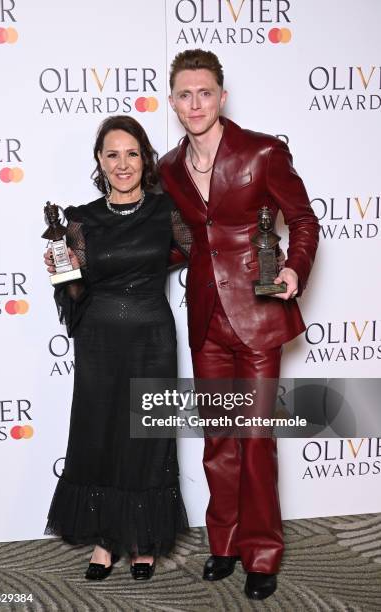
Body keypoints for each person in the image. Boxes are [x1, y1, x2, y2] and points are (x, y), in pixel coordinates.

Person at [159, 49, 319, 600]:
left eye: (205, 92)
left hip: (258, 314)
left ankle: (263, 553)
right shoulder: (168, 168)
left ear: (221, 96)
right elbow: (183, 242)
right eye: (185, 94)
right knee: (217, 438)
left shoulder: (263, 152)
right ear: (173, 101)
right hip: (206, 317)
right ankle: (223, 543)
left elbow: (301, 217)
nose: (195, 103)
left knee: (254, 438)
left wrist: (296, 266)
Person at [43, 115, 189, 581]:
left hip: (151, 338)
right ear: (100, 162)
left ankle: (143, 539)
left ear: (144, 158)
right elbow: (76, 290)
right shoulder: (81, 219)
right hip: (100, 342)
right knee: (99, 435)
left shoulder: (167, 211)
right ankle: (106, 540)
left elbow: (204, 253)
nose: (122, 164)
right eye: (112, 154)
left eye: (131, 153)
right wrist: (61, 271)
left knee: (147, 435)